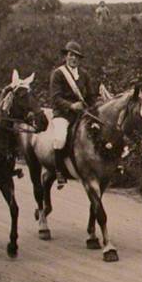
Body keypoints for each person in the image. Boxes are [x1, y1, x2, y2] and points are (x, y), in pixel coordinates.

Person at [49, 41, 98, 189]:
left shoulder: (84, 75)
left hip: (81, 113)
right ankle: (59, 172)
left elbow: (90, 96)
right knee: (60, 138)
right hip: (63, 113)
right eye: (71, 55)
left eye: (77, 56)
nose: (74, 59)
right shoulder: (58, 73)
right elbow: (55, 98)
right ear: (65, 56)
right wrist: (71, 105)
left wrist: (93, 109)